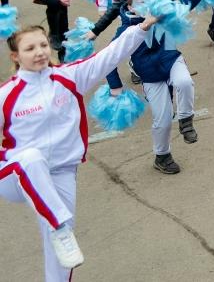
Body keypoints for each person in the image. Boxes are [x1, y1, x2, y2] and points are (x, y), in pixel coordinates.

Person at [1, 16, 159, 280]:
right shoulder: (6, 95)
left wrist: (140, 28)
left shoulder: (69, 77)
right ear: (15, 56)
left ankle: (59, 233)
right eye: (30, 49)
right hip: (15, 175)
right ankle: (59, 225)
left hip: (61, 172)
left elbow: (109, 56)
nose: (39, 52)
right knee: (30, 158)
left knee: (62, 254)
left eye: (43, 45)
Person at [88, 0, 211, 175]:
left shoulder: (162, 16)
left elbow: (187, 2)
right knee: (162, 119)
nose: (147, 4)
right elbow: (108, 59)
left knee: (184, 82)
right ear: (130, 5)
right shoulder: (127, 30)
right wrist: (115, 87)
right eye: (141, 1)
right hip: (150, 75)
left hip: (171, 59)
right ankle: (162, 155)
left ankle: (186, 120)